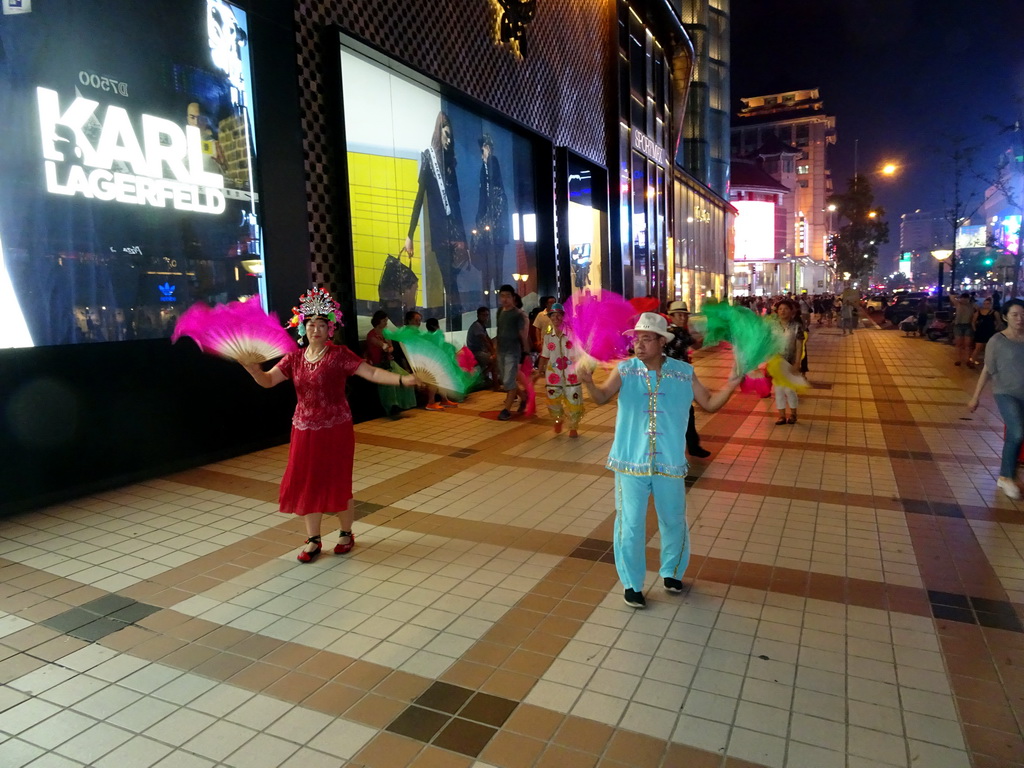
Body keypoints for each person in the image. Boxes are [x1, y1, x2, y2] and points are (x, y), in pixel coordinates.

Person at [243, 287, 420, 562]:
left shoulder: (340, 355)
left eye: (321, 325)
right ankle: (314, 539)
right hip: (303, 429)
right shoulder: (294, 358)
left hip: (336, 429)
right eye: (311, 324)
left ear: (330, 329)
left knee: (337, 480)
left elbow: (371, 371)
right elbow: (267, 381)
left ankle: (346, 532)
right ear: (304, 328)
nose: (315, 329)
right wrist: (252, 368)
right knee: (306, 483)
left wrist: (401, 379)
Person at [579, 313, 742, 608]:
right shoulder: (625, 370)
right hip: (630, 461)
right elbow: (601, 398)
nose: (638, 344)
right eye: (636, 338)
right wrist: (589, 382)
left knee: (674, 519)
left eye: (646, 338)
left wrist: (731, 384)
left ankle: (672, 572)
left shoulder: (682, 372)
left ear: (661, 342)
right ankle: (632, 584)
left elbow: (709, 403)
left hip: (669, 461)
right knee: (630, 524)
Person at [404, 112, 469, 331]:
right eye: (446, 134)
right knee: (448, 282)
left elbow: (457, 203)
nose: (449, 140)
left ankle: (456, 327)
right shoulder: (428, 158)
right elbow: (418, 199)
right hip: (441, 234)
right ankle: (453, 328)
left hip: (456, 235)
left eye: (451, 136)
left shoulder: (451, 162)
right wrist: (409, 235)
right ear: (438, 133)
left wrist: (464, 239)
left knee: (454, 283)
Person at [967, 299, 1024, 501]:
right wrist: (976, 397)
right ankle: (1006, 476)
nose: (1020, 318)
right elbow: (987, 369)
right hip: (1005, 393)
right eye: (1015, 314)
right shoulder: (997, 340)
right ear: (1006, 316)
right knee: (1017, 432)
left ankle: (1012, 470)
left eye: (1022, 314)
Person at [665, 301, 710, 458]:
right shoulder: (671, 333)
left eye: (685, 315)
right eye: (679, 315)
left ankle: (690, 445)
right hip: (672, 379)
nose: (683, 317)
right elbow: (696, 345)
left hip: (679, 378)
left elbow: (696, 346)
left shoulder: (680, 332)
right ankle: (689, 446)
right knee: (683, 413)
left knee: (685, 412)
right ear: (671, 317)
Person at [535, 303, 584, 437]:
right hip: (553, 374)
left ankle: (573, 426)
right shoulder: (548, 337)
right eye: (553, 315)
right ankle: (558, 420)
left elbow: (581, 351)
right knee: (553, 399)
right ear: (550, 317)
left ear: (563, 317)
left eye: (558, 315)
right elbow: (544, 355)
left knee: (574, 399)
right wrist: (539, 371)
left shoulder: (572, 334)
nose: (556, 318)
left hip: (571, 373)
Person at [474, 134, 508, 300]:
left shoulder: (492, 163)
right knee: (487, 269)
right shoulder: (484, 167)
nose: (484, 153)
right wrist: (478, 220)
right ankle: (487, 299)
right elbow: (482, 196)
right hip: (488, 226)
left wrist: (487, 159)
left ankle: (498, 298)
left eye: (485, 149)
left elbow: (493, 184)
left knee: (497, 267)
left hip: (497, 227)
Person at [365, 309, 416, 419]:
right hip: (378, 364)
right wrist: (386, 347)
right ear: (378, 321)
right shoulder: (372, 335)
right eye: (384, 320)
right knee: (389, 382)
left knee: (405, 377)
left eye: (386, 320)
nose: (386, 323)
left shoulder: (386, 333)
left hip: (389, 362)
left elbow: (390, 347)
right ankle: (392, 406)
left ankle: (402, 404)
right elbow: (381, 345)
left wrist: (388, 348)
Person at [770, 299, 807, 425]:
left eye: (785, 309)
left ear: (791, 311)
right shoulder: (773, 326)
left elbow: (799, 346)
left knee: (790, 390)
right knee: (778, 389)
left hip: (790, 362)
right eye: (780, 309)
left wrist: (797, 363)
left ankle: (793, 414)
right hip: (776, 362)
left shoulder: (797, 326)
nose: (782, 311)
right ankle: (781, 416)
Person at [496, 284, 530, 420]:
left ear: (513, 297)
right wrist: (495, 349)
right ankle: (524, 397)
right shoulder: (499, 312)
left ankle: (506, 410)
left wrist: (526, 353)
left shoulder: (518, 314)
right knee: (507, 380)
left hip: (512, 352)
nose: (505, 299)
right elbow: (499, 331)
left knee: (508, 381)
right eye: (502, 296)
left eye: (508, 296)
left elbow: (523, 334)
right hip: (501, 351)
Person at [423, 317, 457, 410]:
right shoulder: (437, 335)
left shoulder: (427, 336)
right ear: (436, 325)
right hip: (433, 362)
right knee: (434, 381)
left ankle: (444, 399)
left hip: (432, 361)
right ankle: (431, 402)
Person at [467, 306, 499, 389]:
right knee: (495, 360)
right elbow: (485, 341)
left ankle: (485, 377)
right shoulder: (477, 326)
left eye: (487, 315)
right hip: (475, 352)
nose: (485, 317)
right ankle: (492, 383)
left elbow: (488, 339)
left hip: (480, 351)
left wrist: (493, 349)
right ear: (478, 315)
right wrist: (493, 353)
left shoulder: (482, 326)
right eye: (483, 315)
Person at [970, 297, 1002, 368]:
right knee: (978, 348)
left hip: (990, 332)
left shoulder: (994, 312)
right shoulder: (978, 312)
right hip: (980, 332)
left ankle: (988, 363)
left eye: (987, 304)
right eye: (984, 304)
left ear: (991, 304)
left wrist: (995, 329)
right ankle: (972, 361)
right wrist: (975, 330)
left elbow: (999, 322)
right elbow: (973, 322)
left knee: (989, 348)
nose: (986, 305)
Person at [952, 293, 976, 367]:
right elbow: (952, 296)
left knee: (967, 344)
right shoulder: (958, 304)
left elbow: (979, 310)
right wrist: (958, 296)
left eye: (966, 298)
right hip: (958, 326)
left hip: (968, 325)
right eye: (963, 298)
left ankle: (967, 360)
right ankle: (958, 359)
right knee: (959, 344)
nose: (964, 300)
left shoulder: (972, 305)